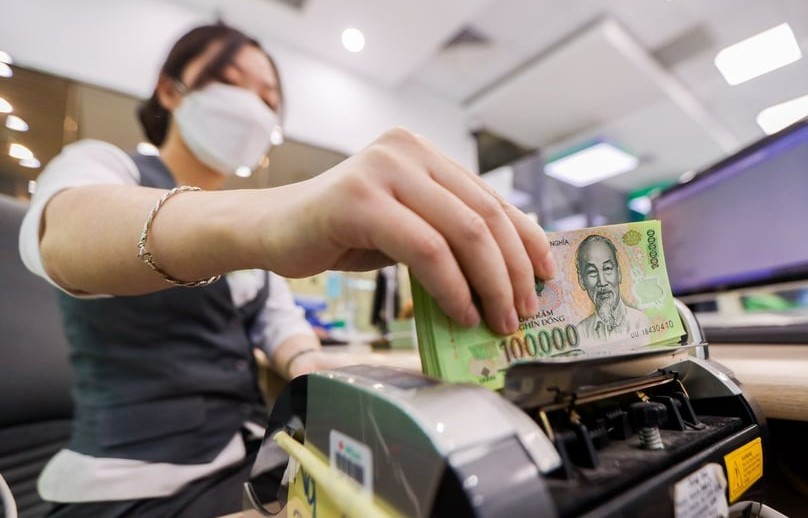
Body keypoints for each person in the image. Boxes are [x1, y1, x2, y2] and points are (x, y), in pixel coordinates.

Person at [18, 23, 555, 517]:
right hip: (133, 486)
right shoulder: (107, 168)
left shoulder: (249, 236)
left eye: (269, 99)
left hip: (254, 458)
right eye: (232, 82)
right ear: (170, 90)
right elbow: (61, 234)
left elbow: (280, 325)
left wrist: (319, 374)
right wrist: (274, 216)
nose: (253, 107)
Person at [575, 234, 649, 343]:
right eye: (592, 272)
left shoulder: (640, 321)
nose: (602, 282)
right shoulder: (580, 333)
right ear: (581, 280)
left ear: (619, 273)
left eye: (607, 268)